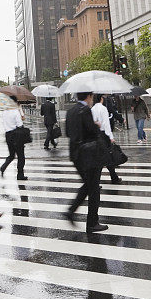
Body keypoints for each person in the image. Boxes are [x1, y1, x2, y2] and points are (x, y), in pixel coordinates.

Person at [64, 91, 108, 233]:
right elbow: (93, 131)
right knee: (93, 188)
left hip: (75, 154)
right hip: (88, 154)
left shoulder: (70, 111)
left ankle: (71, 211)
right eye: (91, 97)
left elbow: (68, 133)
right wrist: (96, 125)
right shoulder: (85, 110)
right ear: (88, 97)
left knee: (89, 185)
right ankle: (92, 223)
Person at [91, 95, 122, 184]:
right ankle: (113, 178)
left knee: (101, 158)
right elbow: (106, 124)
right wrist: (111, 137)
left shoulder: (92, 109)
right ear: (101, 99)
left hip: (97, 135)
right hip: (104, 135)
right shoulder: (103, 108)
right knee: (107, 157)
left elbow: (93, 122)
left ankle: (112, 178)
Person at [0, 99, 27, 181]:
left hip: (7, 135)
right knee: (21, 156)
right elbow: (20, 124)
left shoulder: (4, 112)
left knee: (11, 155)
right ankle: (20, 174)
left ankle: (3, 167)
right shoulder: (15, 112)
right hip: (16, 135)